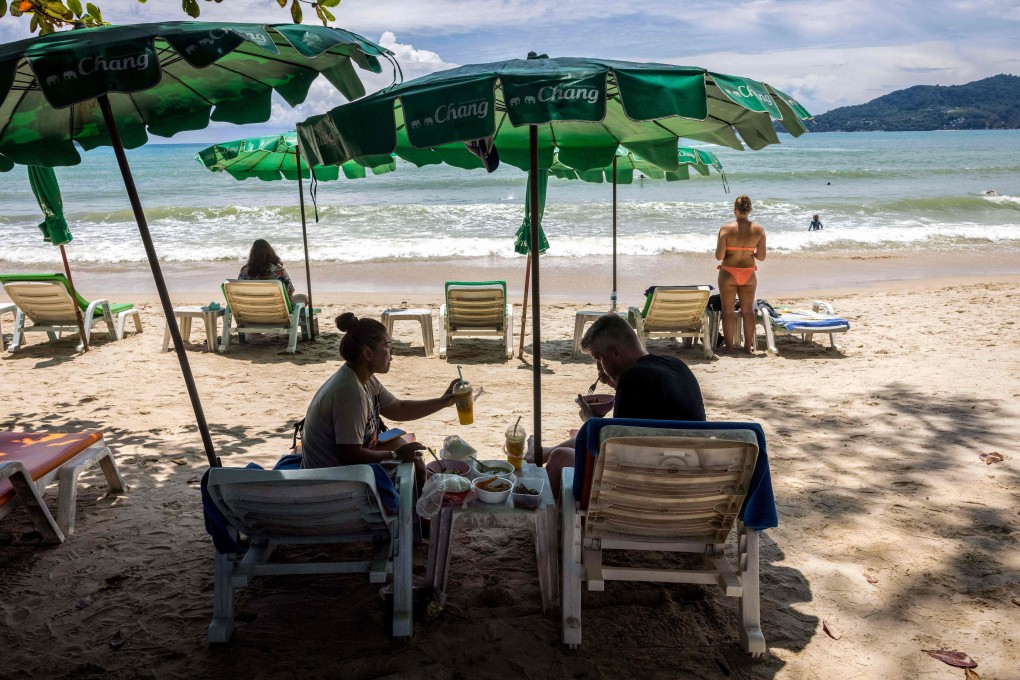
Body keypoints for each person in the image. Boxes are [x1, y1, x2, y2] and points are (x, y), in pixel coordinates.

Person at [543, 313, 706, 498]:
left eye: (599, 358)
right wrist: (617, 384)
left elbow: (612, 447)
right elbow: (651, 414)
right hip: (689, 474)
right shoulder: (676, 365)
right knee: (575, 437)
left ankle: (553, 524)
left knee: (559, 458)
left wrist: (591, 420)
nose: (599, 366)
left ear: (615, 352)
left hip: (649, 484)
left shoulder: (634, 378)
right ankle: (543, 452)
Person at [300, 313, 461, 496]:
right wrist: (394, 455)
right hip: (331, 483)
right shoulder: (351, 393)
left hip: (338, 467)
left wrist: (443, 402)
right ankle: (420, 520)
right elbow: (349, 454)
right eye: (387, 346)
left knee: (401, 444)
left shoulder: (362, 378)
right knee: (415, 463)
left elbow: (398, 409)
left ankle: (417, 510)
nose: (391, 354)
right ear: (368, 353)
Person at [715, 195, 766, 354]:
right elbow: (762, 257)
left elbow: (719, 256)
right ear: (750, 210)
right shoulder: (758, 230)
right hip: (749, 273)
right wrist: (749, 251)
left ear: (735, 210)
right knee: (748, 311)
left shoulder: (725, 229)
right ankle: (747, 348)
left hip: (729, 272)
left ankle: (729, 347)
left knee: (728, 310)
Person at [238, 239, 306, 304]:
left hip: (250, 309)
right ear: (270, 252)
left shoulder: (244, 271)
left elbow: (239, 291)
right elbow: (290, 292)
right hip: (277, 310)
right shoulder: (278, 270)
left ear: (252, 254)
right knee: (304, 298)